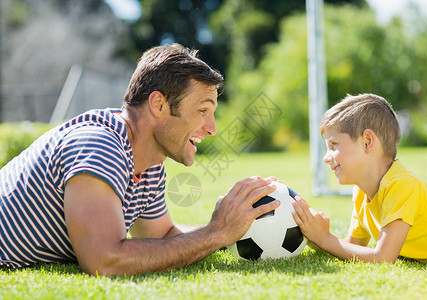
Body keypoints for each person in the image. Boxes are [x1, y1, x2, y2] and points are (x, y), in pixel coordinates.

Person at [0, 43, 280, 275]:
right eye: (202, 110)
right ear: (158, 104)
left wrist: (239, 225)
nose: (212, 128)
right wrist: (216, 234)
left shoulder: (148, 162)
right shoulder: (99, 144)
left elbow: (162, 237)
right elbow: (105, 260)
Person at [292, 93, 427, 263]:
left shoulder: (402, 185)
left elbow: (383, 258)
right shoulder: (360, 194)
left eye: (333, 145)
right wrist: (312, 234)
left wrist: (325, 238)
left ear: (367, 141)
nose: (326, 157)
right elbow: (350, 248)